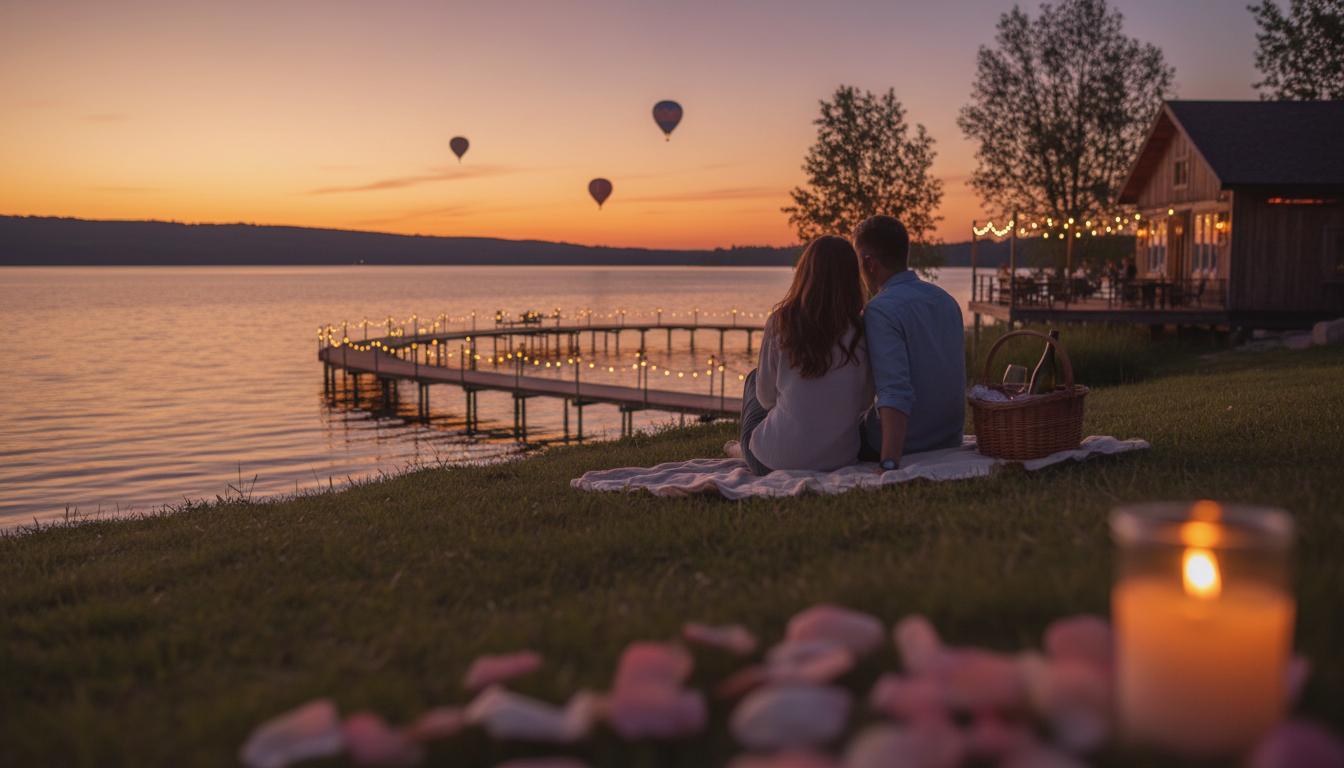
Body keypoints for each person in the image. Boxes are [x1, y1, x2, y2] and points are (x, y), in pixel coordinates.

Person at [739, 236, 873, 475]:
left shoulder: (781, 321)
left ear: (804, 273)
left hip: (771, 462)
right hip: (839, 460)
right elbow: (863, 402)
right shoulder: (863, 329)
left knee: (753, 378)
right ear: (853, 278)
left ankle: (743, 451)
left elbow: (766, 398)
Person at [854, 215, 966, 471]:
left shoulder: (880, 311)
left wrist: (890, 463)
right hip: (948, 438)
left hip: (904, 442)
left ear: (869, 263)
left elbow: (895, 391)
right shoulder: (946, 301)